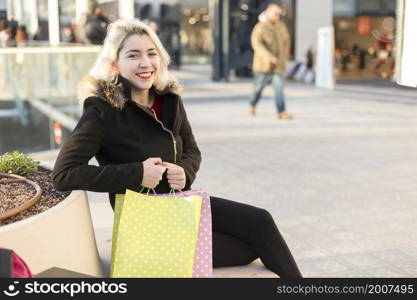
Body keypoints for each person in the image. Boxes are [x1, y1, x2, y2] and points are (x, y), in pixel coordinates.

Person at [52, 19, 302, 278]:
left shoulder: (169, 100)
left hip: (180, 205)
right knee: (252, 245)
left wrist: (184, 171)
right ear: (115, 64)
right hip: (145, 223)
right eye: (133, 55)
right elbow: (64, 174)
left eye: (151, 54)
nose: (145, 63)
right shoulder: (102, 110)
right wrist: (136, 173)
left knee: (260, 221)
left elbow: (192, 150)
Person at [249, 3, 292, 120]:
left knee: (279, 89)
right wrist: (268, 56)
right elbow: (256, 44)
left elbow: (287, 42)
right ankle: (252, 104)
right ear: (268, 12)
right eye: (275, 13)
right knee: (258, 89)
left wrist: (285, 56)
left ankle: (282, 112)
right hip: (263, 66)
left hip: (278, 66)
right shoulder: (260, 27)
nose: (278, 16)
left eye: (279, 14)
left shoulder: (281, 26)